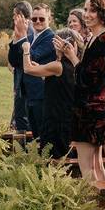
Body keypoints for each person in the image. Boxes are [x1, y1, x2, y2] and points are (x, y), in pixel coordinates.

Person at [71, 0, 105, 181]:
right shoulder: (93, 38)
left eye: (92, 10)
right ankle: (104, 209)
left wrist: (72, 57)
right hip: (90, 107)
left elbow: (89, 79)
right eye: (86, 9)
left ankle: (91, 209)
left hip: (92, 108)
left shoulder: (104, 40)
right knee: (96, 164)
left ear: (102, 13)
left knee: (87, 166)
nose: (87, 14)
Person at [27, 28, 78, 158]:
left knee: (52, 157)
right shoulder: (74, 65)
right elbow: (60, 85)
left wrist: (25, 47)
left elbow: (27, 69)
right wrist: (42, 70)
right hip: (66, 117)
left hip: (54, 119)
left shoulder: (57, 65)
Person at [19, 4, 56, 143]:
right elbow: (15, 58)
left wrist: (23, 38)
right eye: (34, 19)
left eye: (41, 18)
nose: (38, 22)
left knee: (43, 134)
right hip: (29, 93)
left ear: (49, 19)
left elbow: (33, 56)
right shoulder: (30, 37)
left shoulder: (50, 38)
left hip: (42, 93)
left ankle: (46, 163)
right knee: (35, 134)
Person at [7, 2, 34, 132]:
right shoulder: (19, 31)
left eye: (14, 15)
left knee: (24, 118)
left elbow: (26, 58)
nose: (13, 18)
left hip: (27, 84)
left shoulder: (31, 32)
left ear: (20, 15)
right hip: (19, 81)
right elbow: (12, 60)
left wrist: (21, 36)